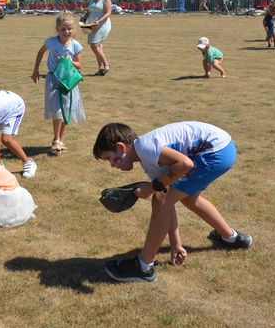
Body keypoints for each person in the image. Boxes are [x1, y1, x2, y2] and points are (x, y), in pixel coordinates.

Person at [93, 121, 252, 283]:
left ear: (121, 147)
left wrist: (152, 187)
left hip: (215, 152)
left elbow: (185, 164)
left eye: (109, 158)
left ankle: (143, 267)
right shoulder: (147, 156)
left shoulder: (145, 148)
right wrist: (176, 244)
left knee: (160, 201)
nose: (112, 165)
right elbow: (165, 192)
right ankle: (232, 238)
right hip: (222, 148)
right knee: (187, 199)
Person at [31, 11, 86, 155]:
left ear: (73, 29)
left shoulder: (75, 45)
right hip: (54, 80)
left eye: (69, 29)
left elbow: (79, 65)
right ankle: (55, 139)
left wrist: (70, 61)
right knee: (57, 110)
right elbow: (40, 52)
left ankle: (60, 139)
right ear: (58, 29)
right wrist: (35, 70)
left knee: (66, 111)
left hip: (68, 82)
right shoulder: (51, 42)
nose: (66, 32)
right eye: (63, 29)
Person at [81, 0, 112, 75]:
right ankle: (101, 69)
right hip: (92, 25)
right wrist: (84, 18)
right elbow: (89, 11)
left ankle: (106, 64)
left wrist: (99, 21)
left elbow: (108, 12)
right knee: (98, 46)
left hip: (103, 24)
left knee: (94, 45)